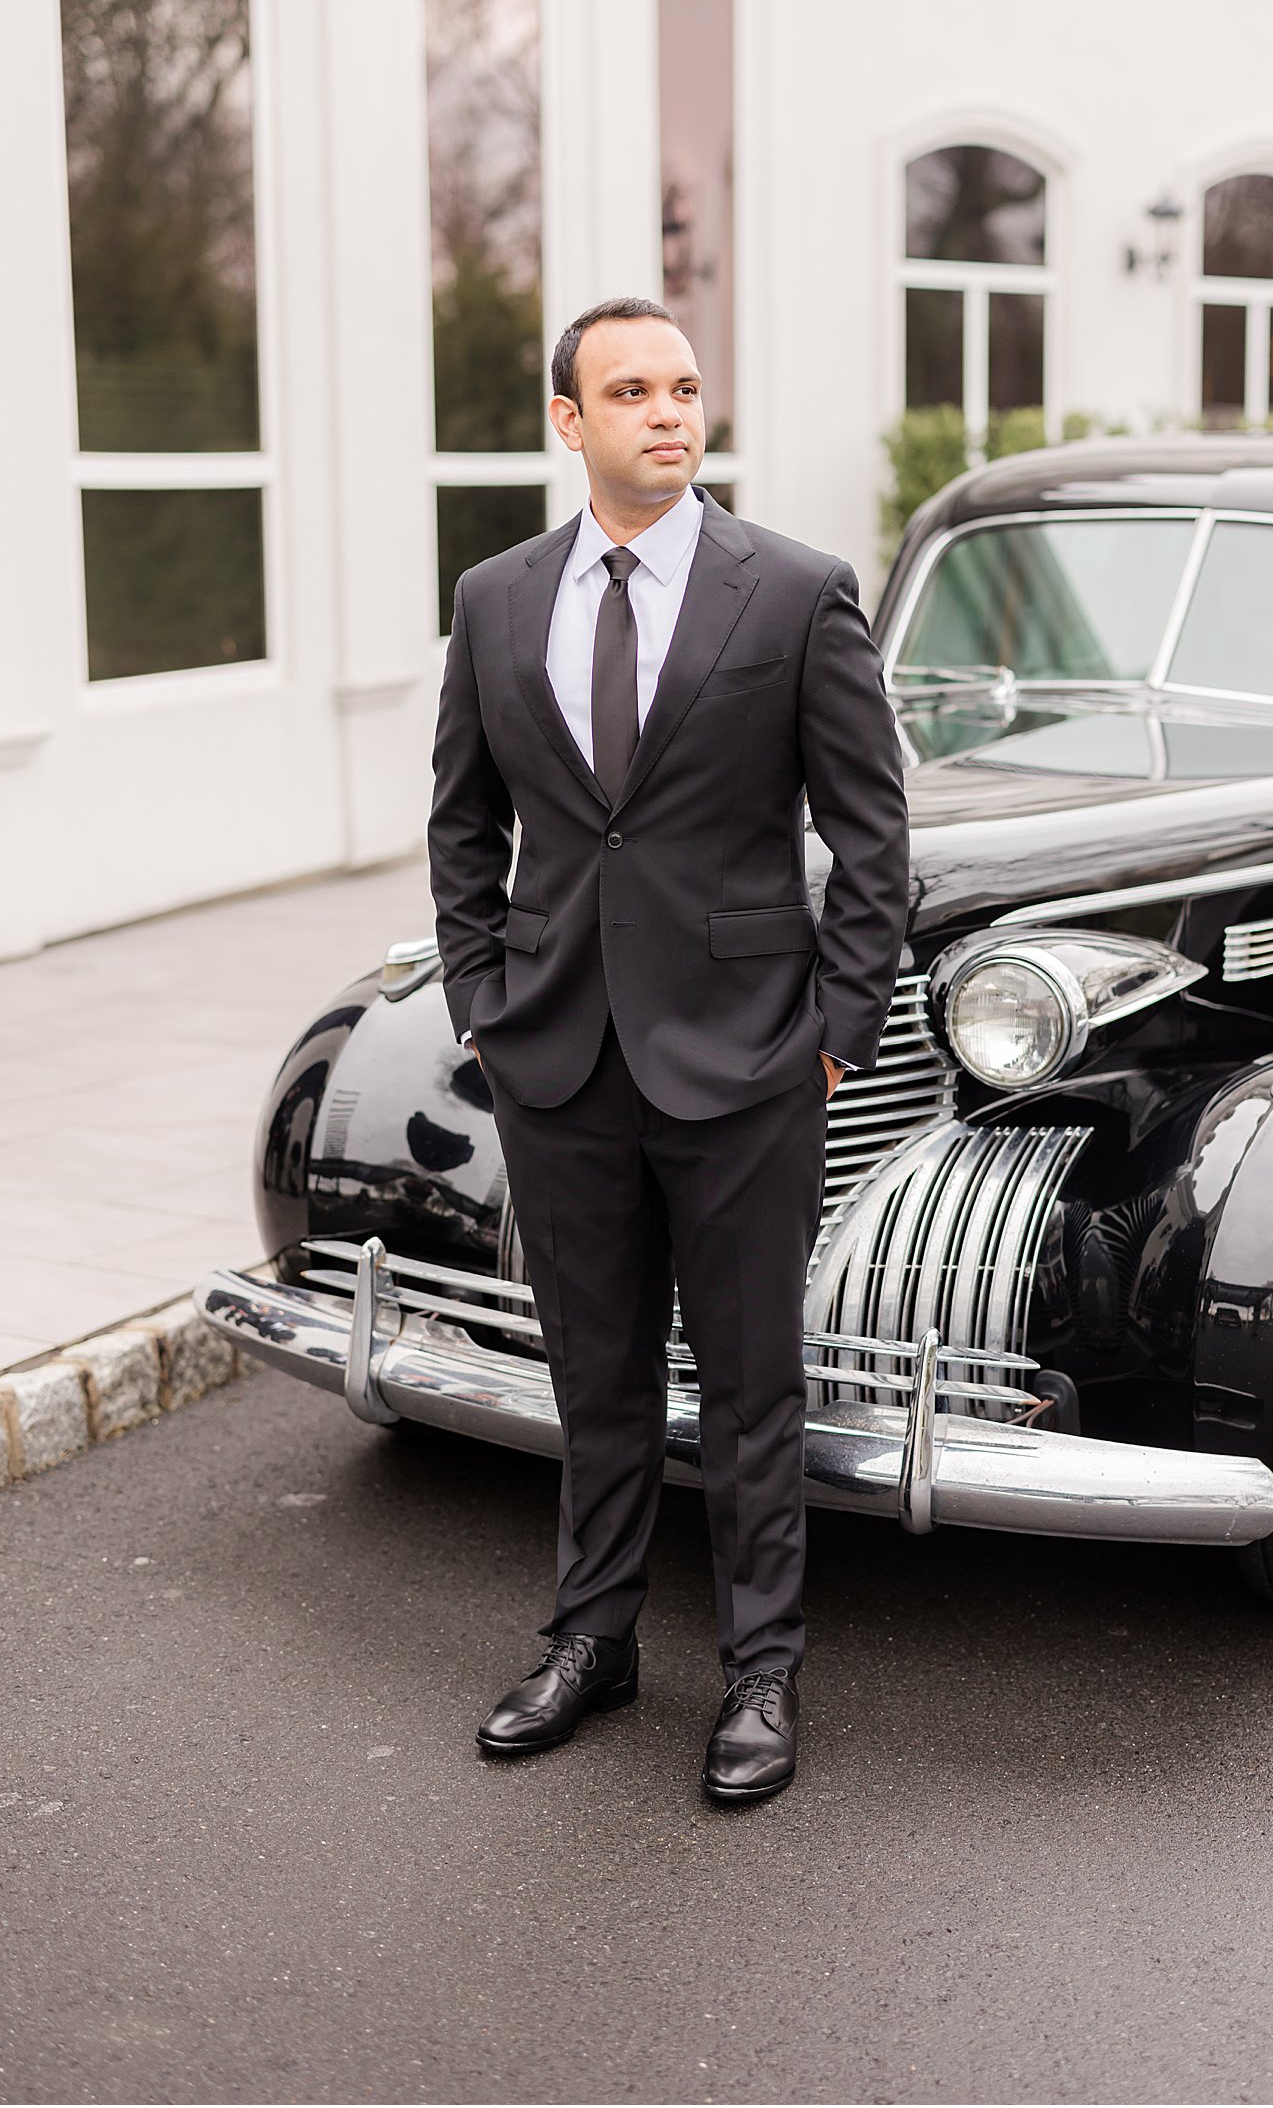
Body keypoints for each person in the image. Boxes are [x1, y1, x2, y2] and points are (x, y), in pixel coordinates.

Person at [426, 295, 909, 1803]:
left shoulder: (797, 592)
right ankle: (595, 1636)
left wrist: (832, 1034)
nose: (667, 411)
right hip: (558, 1059)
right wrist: (481, 1006)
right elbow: (462, 825)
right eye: (629, 389)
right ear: (568, 422)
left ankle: (762, 1670)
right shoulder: (497, 598)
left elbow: (873, 837)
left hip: (749, 1061)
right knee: (598, 1375)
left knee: (757, 1384)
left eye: (685, 386)